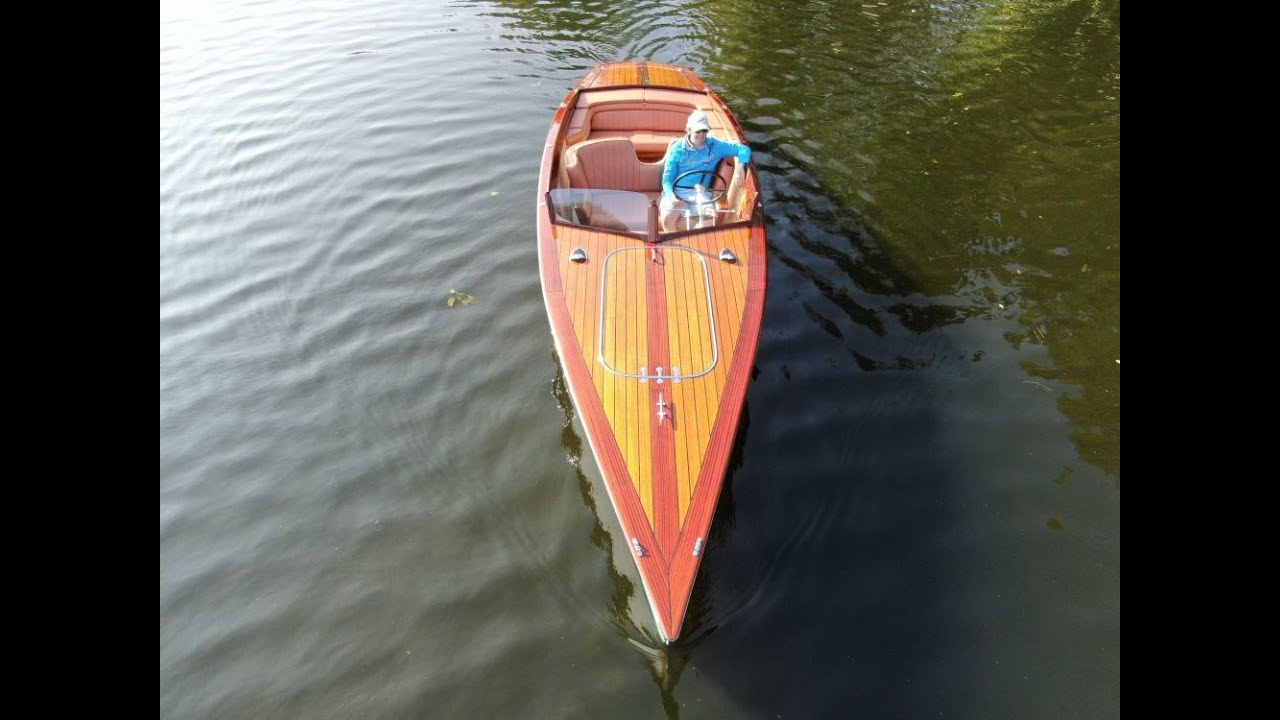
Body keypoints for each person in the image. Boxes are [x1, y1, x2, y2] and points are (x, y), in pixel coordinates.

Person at [660, 110, 752, 232]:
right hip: (677, 191)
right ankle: (673, 242)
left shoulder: (716, 145)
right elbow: (667, 180)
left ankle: (694, 242)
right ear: (689, 130)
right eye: (698, 131)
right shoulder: (677, 149)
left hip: (702, 193)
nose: (702, 135)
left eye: (704, 131)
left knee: (708, 221)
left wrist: (740, 167)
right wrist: (673, 198)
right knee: (667, 219)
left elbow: (744, 150)